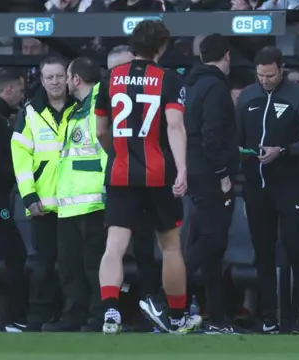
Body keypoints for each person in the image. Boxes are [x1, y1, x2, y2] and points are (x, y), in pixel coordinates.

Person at [93, 20, 200, 335]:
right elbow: (175, 126)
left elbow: (101, 130)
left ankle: (111, 312)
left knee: (114, 245)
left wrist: (117, 153)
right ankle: (178, 317)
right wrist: (181, 168)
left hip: (121, 172)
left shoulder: (109, 78)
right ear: (162, 47)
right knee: (169, 245)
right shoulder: (169, 79)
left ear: (131, 47)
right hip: (158, 173)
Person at [236, 46, 299, 334]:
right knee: (262, 252)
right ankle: (269, 314)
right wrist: (240, 153)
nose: (265, 80)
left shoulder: (298, 96)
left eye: (270, 75)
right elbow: (237, 136)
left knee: (295, 248)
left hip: (288, 185)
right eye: (260, 75)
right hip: (255, 185)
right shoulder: (247, 96)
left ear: (281, 69)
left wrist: (282, 151)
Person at [11, 56, 76, 332]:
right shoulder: (30, 113)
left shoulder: (82, 108)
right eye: (49, 77)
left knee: (75, 264)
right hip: (44, 204)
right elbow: (21, 158)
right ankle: (38, 317)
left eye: (59, 76)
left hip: (78, 203)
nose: (54, 82)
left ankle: (73, 316)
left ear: (69, 77)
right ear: (42, 79)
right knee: (44, 265)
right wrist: (28, 196)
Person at [46, 57, 106, 332]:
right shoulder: (77, 110)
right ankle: (73, 315)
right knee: (70, 266)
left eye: (67, 77)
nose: (66, 82)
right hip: (69, 204)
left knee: (94, 266)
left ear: (77, 80)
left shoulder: (99, 107)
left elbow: (106, 153)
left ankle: (99, 317)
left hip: (94, 202)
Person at [184, 34, 239, 334]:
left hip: (193, 169)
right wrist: (223, 174)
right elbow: (212, 135)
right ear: (226, 56)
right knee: (211, 241)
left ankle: (217, 316)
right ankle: (165, 295)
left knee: (213, 246)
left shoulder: (191, 84)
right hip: (210, 173)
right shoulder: (216, 86)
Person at [106, 44, 160, 332]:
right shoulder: (102, 96)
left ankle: (151, 311)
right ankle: (109, 312)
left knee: (146, 250)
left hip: (147, 179)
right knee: (113, 249)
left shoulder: (153, 94)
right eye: (118, 71)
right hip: (116, 182)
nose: (126, 76)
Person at [0, 68, 29, 333]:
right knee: (15, 254)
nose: (21, 97)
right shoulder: (2, 123)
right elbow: (8, 167)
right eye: (19, 91)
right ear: (8, 91)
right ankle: (11, 319)